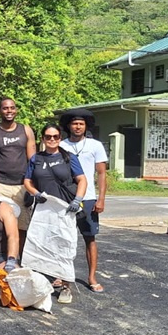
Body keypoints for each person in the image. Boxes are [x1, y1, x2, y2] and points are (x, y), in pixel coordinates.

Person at [24, 124, 88, 304]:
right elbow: (27, 181)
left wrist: (78, 199)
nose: (52, 140)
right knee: (42, 244)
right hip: (44, 208)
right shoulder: (36, 159)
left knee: (64, 246)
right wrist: (35, 193)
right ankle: (44, 283)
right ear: (43, 139)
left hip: (66, 208)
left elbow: (82, 180)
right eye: (48, 136)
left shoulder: (68, 157)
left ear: (60, 138)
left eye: (55, 136)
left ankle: (66, 286)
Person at [59, 109, 107, 293]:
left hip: (88, 199)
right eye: (74, 123)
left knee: (90, 239)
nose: (77, 126)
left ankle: (92, 277)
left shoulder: (95, 145)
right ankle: (59, 275)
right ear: (69, 126)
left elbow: (102, 174)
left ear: (86, 126)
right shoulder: (61, 145)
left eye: (81, 124)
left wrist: (101, 199)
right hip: (65, 198)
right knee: (62, 239)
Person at [0, 98, 36, 252]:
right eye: (5, 108)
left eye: (12, 108)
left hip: (21, 186)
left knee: (22, 227)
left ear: (16, 110)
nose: (9, 111)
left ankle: (17, 261)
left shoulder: (26, 130)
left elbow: (33, 161)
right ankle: (0, 262)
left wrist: (32, 188)